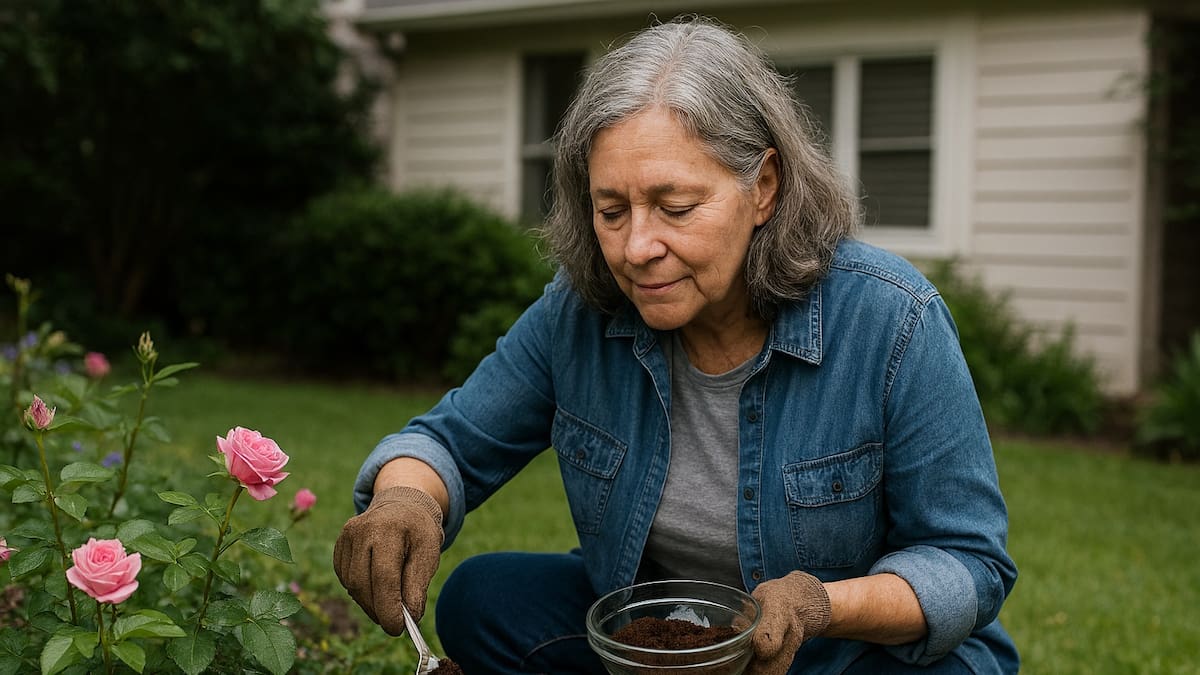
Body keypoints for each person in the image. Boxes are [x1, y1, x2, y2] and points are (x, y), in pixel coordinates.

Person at [334, 16, 1018, 674]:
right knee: (485, 599)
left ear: (765, 189)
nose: (637, 248)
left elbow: (967, 560)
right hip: (667, 646)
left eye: (676, 207)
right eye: (611, 211)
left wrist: (822, 606)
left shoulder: (891, 320)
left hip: (838, 655)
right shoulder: (581, 312)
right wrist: (406, 499)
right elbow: (450, 442)